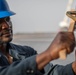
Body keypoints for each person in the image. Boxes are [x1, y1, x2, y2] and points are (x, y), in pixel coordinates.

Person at [0, 0, 76, 75]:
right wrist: (49, 54)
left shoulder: (27, 52)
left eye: (7, 19)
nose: (6, 26)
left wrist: (75, 67)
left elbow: (52, 72)